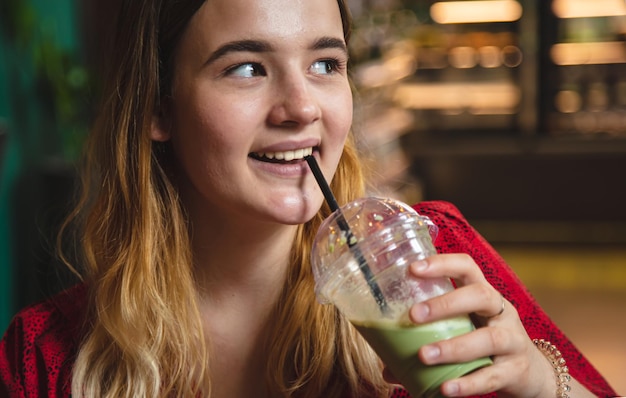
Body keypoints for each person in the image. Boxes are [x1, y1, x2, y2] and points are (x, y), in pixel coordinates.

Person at [0, 0, 618, 397]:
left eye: (326, 63)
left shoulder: (432, 257)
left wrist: (541, 384)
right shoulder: (46, 358)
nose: (302, 108)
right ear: (159, 108)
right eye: (247, 68)